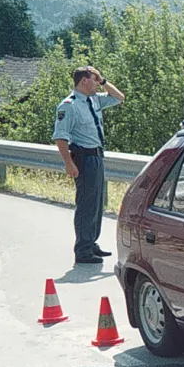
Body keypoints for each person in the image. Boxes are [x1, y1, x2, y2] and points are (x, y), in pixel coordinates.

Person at [52, 66, 125, 265]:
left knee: (97, 203)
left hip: (97, 156)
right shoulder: (69, 105)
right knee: (86, 204)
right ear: (84, 80)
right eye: (94, 79)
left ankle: (91, 242)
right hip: (83, 158)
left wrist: (103, 81)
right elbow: (60, 137)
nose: (97, 82)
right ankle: (83, 249)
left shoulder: (94, 100)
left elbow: (120, 97)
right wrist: (68, 163)